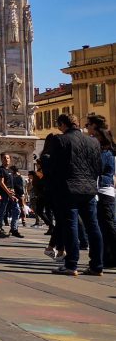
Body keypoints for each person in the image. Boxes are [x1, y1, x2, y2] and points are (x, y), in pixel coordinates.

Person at [42, 113, 104, 276]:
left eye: (59, 125)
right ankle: (97, 265)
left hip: (68, 188)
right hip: (89, 189)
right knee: (93, 225)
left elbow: (52, 166)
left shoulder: (60, 140)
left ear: (64, 124)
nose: (59, 129)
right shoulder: (93, 141)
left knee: (71, 225)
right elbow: (99, 167)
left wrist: (46, 160)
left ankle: (71, 265)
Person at [85, 116, 116, 270]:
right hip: (101, 190)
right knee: (104, 226)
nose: (86, 128)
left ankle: (110, 256)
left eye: (88, 125)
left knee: (108, 226)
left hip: (104, 191)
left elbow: (102, 170)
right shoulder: (105, 150)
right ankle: (107, 257)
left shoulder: (106, 152)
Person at [0, 153, 23, 237]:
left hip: (11, 194)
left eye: (7, 158)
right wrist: (8, 192)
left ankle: (14, 229)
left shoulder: (10, 170)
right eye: (4, 158)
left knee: (17, 210)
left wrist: (13, 192)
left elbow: (11, 183)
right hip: (4, 194)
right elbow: (1, 182)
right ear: (1, 160)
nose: (6, 160)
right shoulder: (0, 170)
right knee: (2, 212)